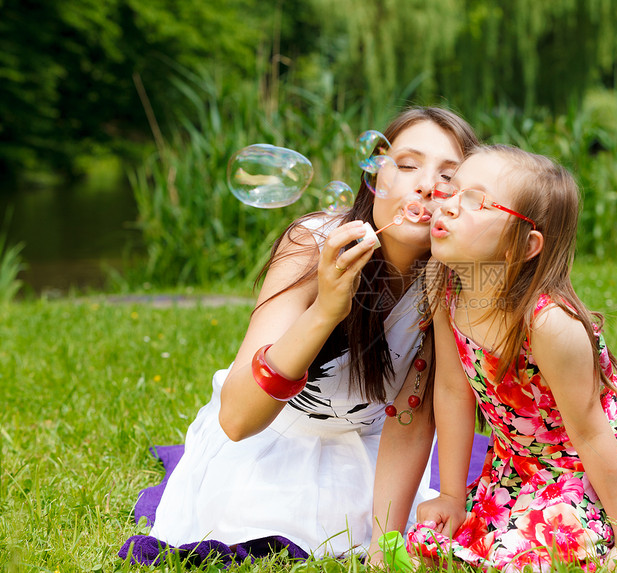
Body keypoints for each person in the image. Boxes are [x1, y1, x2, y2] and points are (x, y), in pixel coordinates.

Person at [142, 107, 480, 561]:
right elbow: (238, 420)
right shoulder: (313, 244)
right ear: (373, 177)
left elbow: (411, 418)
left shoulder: (448, 280)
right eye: (405, 165)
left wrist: (385, 544)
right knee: (262, 523)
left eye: (447, 176)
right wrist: (325, 309)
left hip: (373, 455)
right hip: (274, 442)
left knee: (378, 535)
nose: (424, 185)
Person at [406, 145, 617, 572]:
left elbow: (591, 433)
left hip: (583, 459)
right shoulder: (444, 285)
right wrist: (452, 497)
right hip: (518, 459)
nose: (448, 206)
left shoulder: (549, 324)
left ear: (526, 244)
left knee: (539, 552)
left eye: (475, 200)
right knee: (457, 541)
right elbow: (452, 389)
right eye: (451, 190)